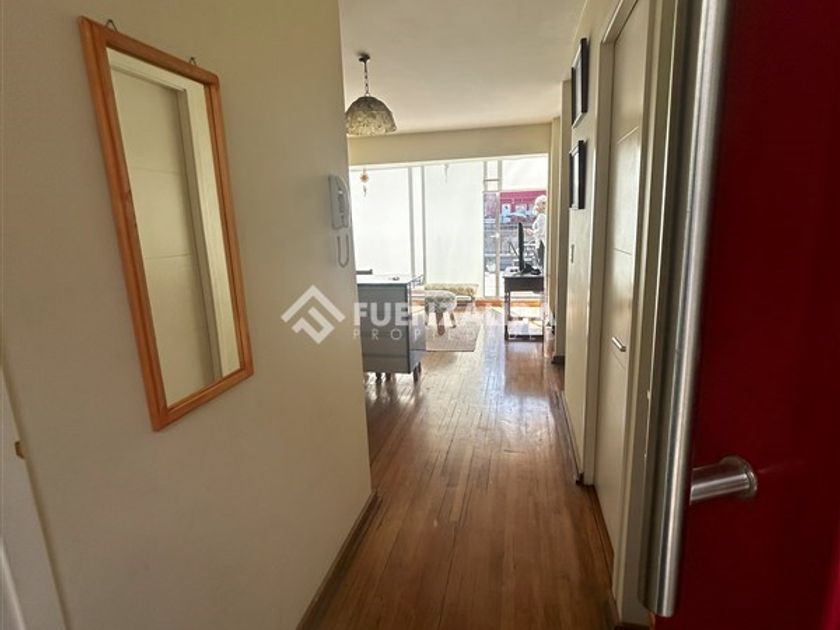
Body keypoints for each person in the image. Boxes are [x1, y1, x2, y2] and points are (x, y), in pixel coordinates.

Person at [531, 194, 547, 269]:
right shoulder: (543, 215)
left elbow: (541, 231)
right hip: (541, 243)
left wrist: (532, 232)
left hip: (541, 243)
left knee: (542, 263)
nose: (536, 206)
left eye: (538, 204)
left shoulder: (541, 216)